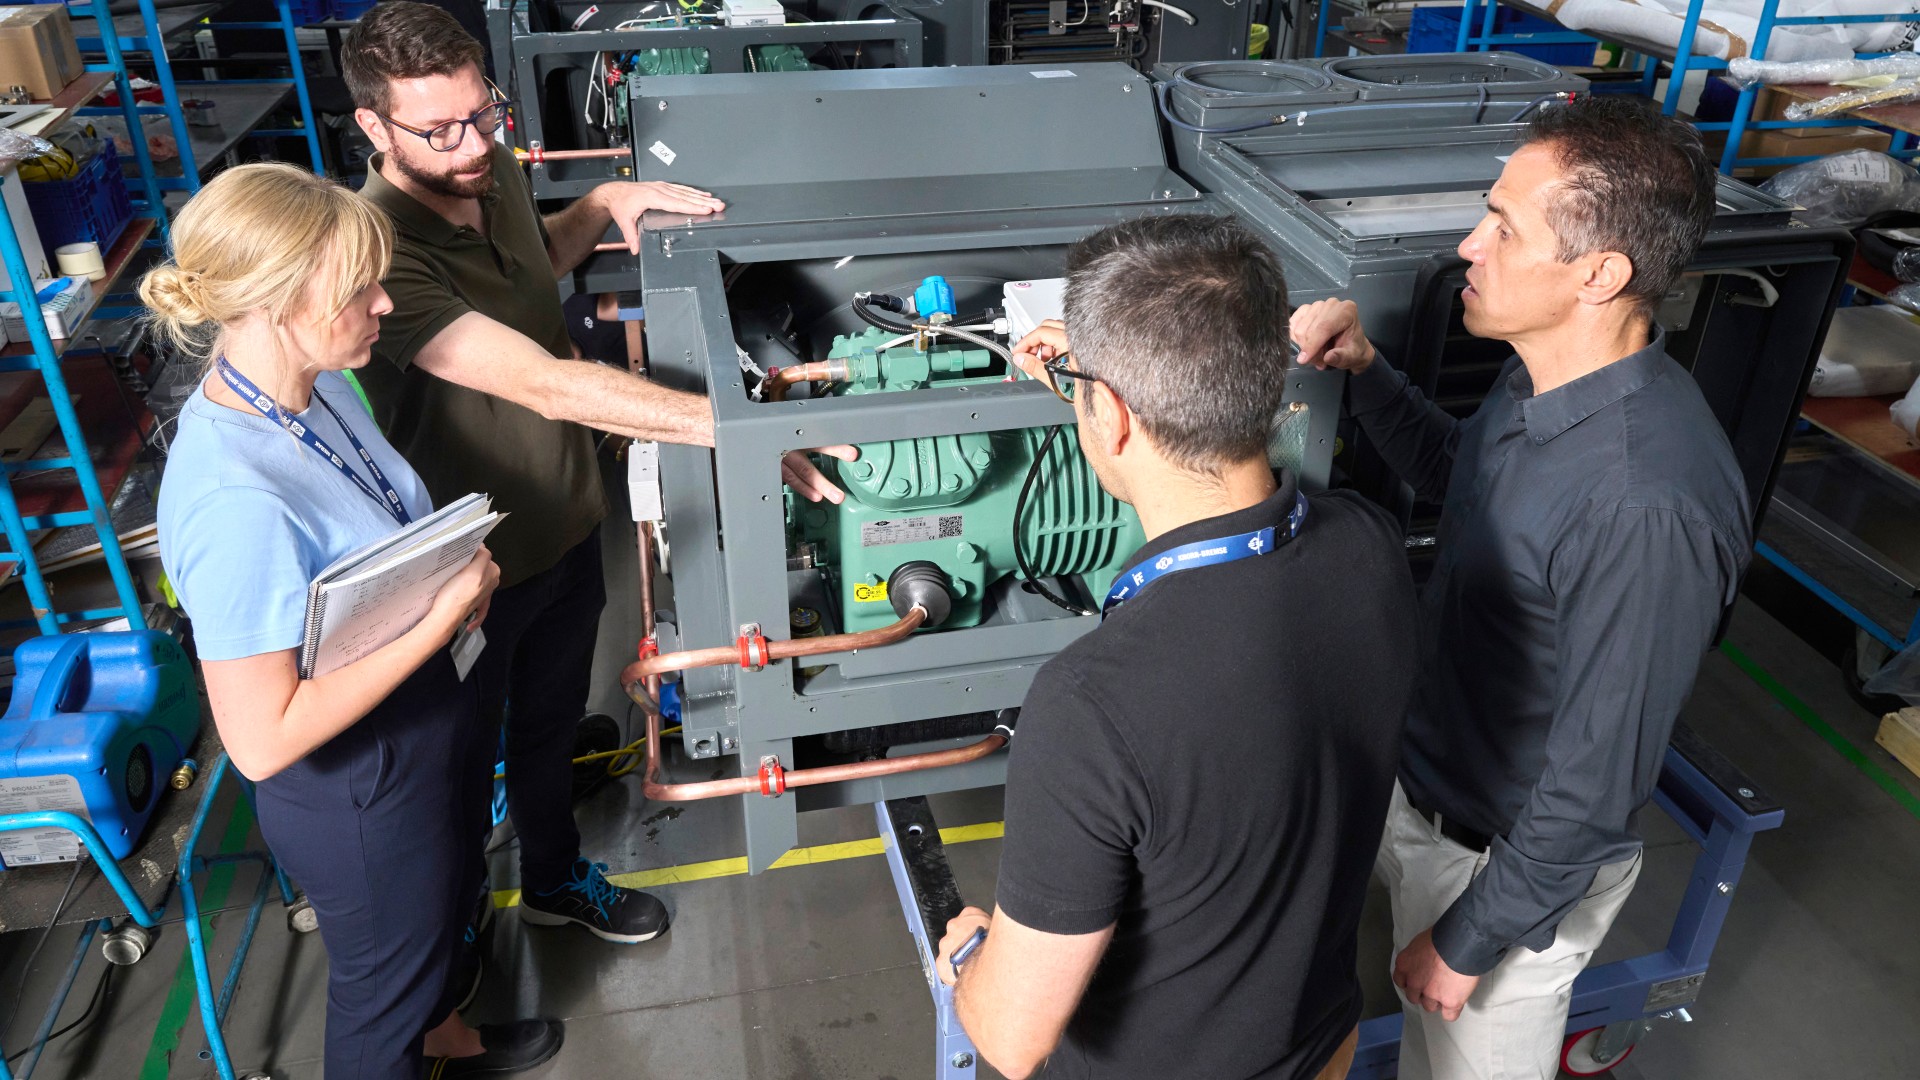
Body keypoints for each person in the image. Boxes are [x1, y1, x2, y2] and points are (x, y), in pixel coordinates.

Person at [340, 1, 853, 947]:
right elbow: (538, 381)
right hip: (474, 571)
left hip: (567, 521)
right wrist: (731, 429)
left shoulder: (486, 168)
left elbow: (541, 264)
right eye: (438, 129)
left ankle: (552, 879)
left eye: (482, 114)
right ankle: (449, 968)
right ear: (375, 127)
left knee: (549, 722)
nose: (471, 145)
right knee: (456, 769)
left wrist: (604, 203)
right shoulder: (381, 251)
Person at [1289, 97, 1752, 1080]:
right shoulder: (1543, 379)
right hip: (1420, 780)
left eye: (1503, 225)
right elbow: (1470, 484)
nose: (1470, 245)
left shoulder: (1647, 503)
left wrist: (1470, 942)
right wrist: (1367, 374)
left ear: (1600, 273)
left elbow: (1596, 780)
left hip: (1504, 867)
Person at [931, 214, 1421, 1080]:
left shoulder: (1091, 704)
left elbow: (1011, 1039)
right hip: (1319, 1046)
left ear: (1110, 417)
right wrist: (1096, 386)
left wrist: (971, 956)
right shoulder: (1368, 546)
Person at [150, 163, 560, 1078]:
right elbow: (262, 739)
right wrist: (438, 615)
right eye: (357, 288)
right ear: (275, 302)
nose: (384, 302)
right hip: (359, 785)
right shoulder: (233, 498)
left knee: (451, 905)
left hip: (423, 716)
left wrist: (446, 585)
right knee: (381, 1001)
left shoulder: (321, 385)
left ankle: (446, 1036)